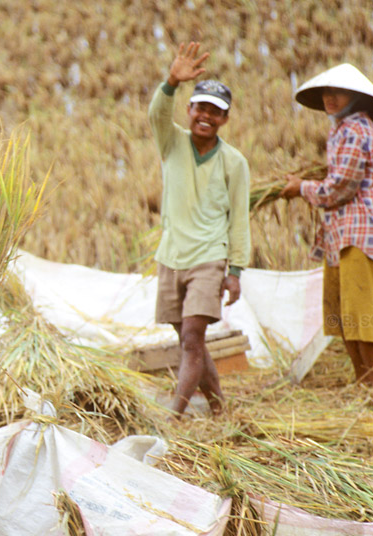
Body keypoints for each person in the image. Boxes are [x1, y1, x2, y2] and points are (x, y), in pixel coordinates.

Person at [148, 42, 251, 418]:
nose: (206, 116)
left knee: (192, 338)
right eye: (201, 108)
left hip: (209, 258)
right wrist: (172, 81)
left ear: (224, 120)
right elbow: (156, 114)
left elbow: (239, 217)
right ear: (190, 111)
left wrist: (235, 271)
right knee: (190, 340)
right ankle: (220, 406)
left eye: (216, 112)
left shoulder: (234, 163)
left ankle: (173, 415)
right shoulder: (171, 143)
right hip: (171, 255)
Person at [280, 64, 373, 385]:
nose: (329, 98)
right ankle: (364, 387)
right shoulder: (342, 129)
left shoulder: (355, 130)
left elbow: (339, 187)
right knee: (343, 315)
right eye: (326, 93)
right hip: (341, 234)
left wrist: (301, 187)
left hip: (360, 233)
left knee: (363, 315)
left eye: (337, 92)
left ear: (356, 97)